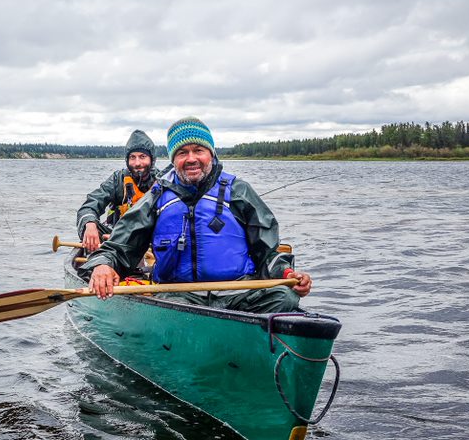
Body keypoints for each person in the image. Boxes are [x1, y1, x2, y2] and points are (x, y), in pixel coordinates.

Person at [80, 117, 313, 313]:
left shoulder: (239, 191)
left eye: (198, 150)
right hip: (177, 297)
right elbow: (119, 246)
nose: (191, 158)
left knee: (285, 297)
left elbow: (268, 252)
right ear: (173, 160)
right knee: (162, 308)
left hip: (238, 293)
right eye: (182, 152)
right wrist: (103, 265)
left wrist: (287, 273)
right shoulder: (157, 196)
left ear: (210, 154)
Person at [76, 129, 158, 252]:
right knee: (92, 227)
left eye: (142, 157)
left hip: (150, 239)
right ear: (127, 160)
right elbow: (91, 203)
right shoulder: (117, 180)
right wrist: (89, 223)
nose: (137, 163)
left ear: (151, 159)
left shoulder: (162, 180)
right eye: (132, 157)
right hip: (116, 235)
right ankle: (98, 260)